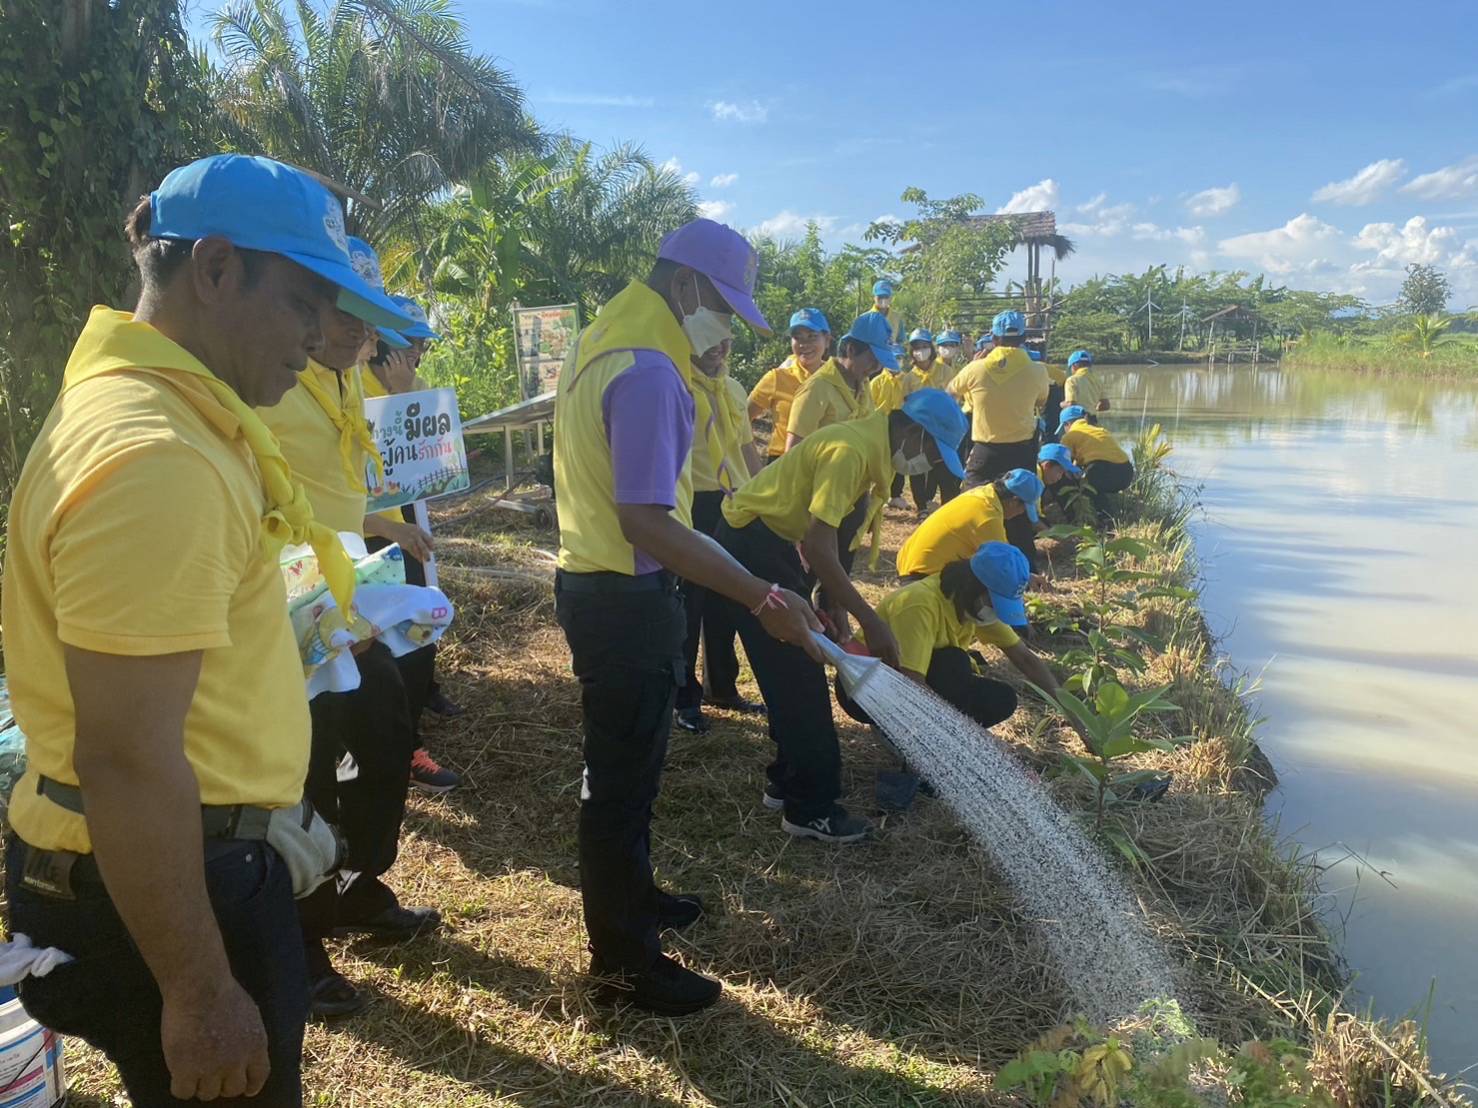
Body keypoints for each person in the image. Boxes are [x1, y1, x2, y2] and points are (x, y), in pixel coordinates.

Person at [2, 154, 412, 1105]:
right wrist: (198, 990)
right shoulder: (160, 457)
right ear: (218, 269)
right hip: (172, 885)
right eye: (305, 302)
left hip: (182, 861)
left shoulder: (168, 418)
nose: (318, 338)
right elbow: (128, 757)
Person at [551, 217, 822, 1016]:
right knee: (619, 787)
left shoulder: (605, 334)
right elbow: (650, 521)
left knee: (628, 776)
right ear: (684, 286)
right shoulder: (648, 371)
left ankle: (635, 900)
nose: (729, 327)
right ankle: (623, 963)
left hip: (596, 585)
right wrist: (762, 594)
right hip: (624, 598)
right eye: (726, 308)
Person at [260, 236, 441, 1017]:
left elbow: (337, 489)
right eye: (339, 313)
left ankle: (355, 880)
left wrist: (380, 531)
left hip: (337, 598)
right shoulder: (270, 379)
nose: (353, 333)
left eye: (368, 324)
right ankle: (298, 945)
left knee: (384, 721)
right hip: (276, 608)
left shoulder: (339, 379)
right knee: (296, 773)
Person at [713, 386, 968, 843]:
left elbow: (818, 545)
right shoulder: (851, 451)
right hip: (751, 544)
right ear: (912, 431)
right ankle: (809, 807)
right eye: (931, 452)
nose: (927, 465)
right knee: (799, 673)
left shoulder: (869, 452)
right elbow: (817, 544)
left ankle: (786, 778)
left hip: (767, 541)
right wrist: (870, 619)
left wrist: (820, 603)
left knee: (790, 665)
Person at [361, 297, 462, 795]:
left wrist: (405, 395)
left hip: (406, 529)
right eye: (412, 343)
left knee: (417, 634)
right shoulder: (353, 386)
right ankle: (399, 750)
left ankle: (406, 738)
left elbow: (432, 463)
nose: (420, 352)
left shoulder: (405, 385)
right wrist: (397, 399)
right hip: (368, 539)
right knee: (384, 648)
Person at [839, 542, 1068, 738]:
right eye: (993, 603)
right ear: (973, 586)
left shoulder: (973, 607)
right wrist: (966, 735)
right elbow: (911, 682)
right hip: (866, 689)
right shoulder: (920, 604)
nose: (995, 613)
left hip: (914, 682)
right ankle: (895, 734)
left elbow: (1025, 659)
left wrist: (1073, 715)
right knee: (954, 662)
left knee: (1001, 699)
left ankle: (932, 738)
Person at [675, 338, 765, 734]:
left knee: (727, 599)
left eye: (726, 338)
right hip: (694, 501)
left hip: (736, 503)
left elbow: (746, 447)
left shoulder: (733, 388)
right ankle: (683, 699)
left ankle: (722, 687)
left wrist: (765, 495)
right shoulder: (676, 384)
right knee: (687, 605)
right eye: (709, 338)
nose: (719, 346)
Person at [786, 311, 883, 580]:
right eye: (872, 359)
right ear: (851, 349)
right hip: (817, 503)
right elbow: (793, 452)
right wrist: (798, 520)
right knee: (808, 578)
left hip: (851, 499)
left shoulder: (863, 387)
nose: (875, 367)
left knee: (837, 579)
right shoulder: (817, 388)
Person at [895, 468, 1046, 623]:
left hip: (908, 561)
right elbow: (1004, 569)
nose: (1021, 513)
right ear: (1013, 501)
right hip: (922, 576)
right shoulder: (987, 518)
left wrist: (1028, 575)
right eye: (1023, 508)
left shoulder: (982, 494)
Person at [947, 310, 1049, 491]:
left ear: (994, 338)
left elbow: (949, 396)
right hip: (1022, 452)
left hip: (985, 451)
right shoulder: (1038, 371)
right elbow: (1041, 401)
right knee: (1021, 505)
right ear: (1023, 337)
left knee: (974, 502)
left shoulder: (975, 369)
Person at [749, 308, 828, 461]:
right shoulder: (777, 377)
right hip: (782, 461)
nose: (804, 344)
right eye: (797, 338)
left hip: (824, 463)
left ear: (827, 339)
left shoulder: (836, 379)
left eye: (812, 336)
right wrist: (751, 459)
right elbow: (742, 419)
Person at [1058, 405, 1135, 514]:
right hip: (1126, 472)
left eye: (1063, 428)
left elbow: (1061, 462)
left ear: (1067, 424)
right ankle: (1111, 513)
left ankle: (1102, 516)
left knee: (1087, 487)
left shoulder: (1071, 435)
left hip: (1103, 470)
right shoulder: (1100, 430)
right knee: (1095, 484)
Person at [1036, 441, 1086, 520]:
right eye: (1060, 471)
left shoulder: (1039, 478)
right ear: (1047, 465)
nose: (1060, 477)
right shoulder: (1034, 481)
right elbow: (1035, 519)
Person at [871, 278, 902, 344]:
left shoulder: (897, 317)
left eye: (886, 297)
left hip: (891, 353)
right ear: (874, 297)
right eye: (880, 297)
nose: (883, 300)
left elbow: (901, 340)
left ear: (891, 298)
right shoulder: (865, 318)